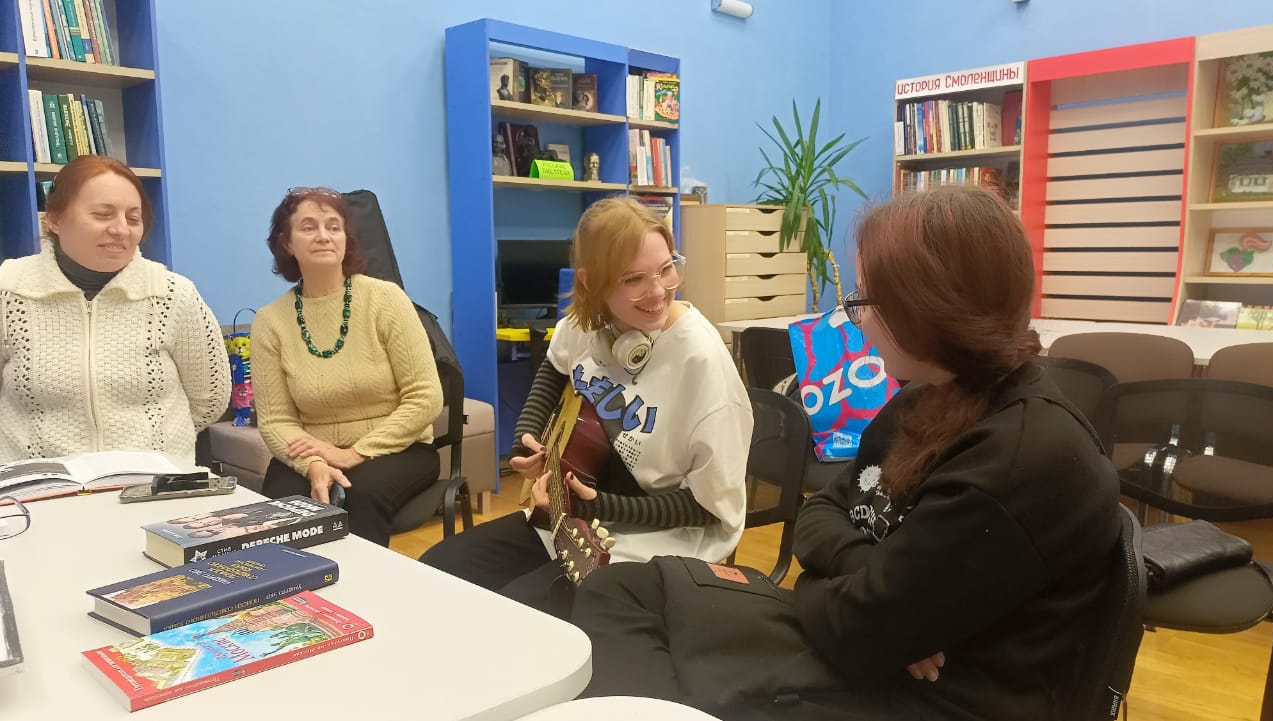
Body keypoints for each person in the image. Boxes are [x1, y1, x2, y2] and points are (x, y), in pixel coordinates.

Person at [571, 186, 1122, 721]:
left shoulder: (1019, 460)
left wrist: (832, 584)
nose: (856, 322)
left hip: (925, 694)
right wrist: (862, 574)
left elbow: (860, 632)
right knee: (616, 592)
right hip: (866, 637)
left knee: (651, 635)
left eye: (863, 302)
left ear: (929, 310)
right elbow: (819, 515)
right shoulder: (929, 396)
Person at [420, 195, 752, 615]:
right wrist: (527, 440)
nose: (658, 291)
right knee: (438, 569)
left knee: (518, 612)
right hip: (580, 515)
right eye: (633, 279)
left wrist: (598, 505)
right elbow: (553, 370)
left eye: (667, 269)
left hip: (667, 535)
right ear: (591, 283)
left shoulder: (702, 364)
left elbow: (705, 509)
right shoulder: (586, 323)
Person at [0, 155, 229, 463]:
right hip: (43, 483)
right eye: (102, 215)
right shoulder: (9, 290)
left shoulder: (173, 294)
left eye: (133, 219)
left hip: (153, 481)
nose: (121, 229)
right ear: (54, 219)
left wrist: (157, 446)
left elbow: (209, 399)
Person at [251, 187, 443, 547]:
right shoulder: (270, 321)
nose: (323, 236)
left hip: (397, 447)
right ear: (287, 243)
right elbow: (276, 420)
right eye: (309, 227)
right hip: (312, 450)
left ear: (345, 239)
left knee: (357, 494)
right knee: (277, 511)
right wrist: (314, 464)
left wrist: (354, 453)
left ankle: (361, 584)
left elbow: (425, 397)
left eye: (333, 227)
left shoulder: (386, 299)